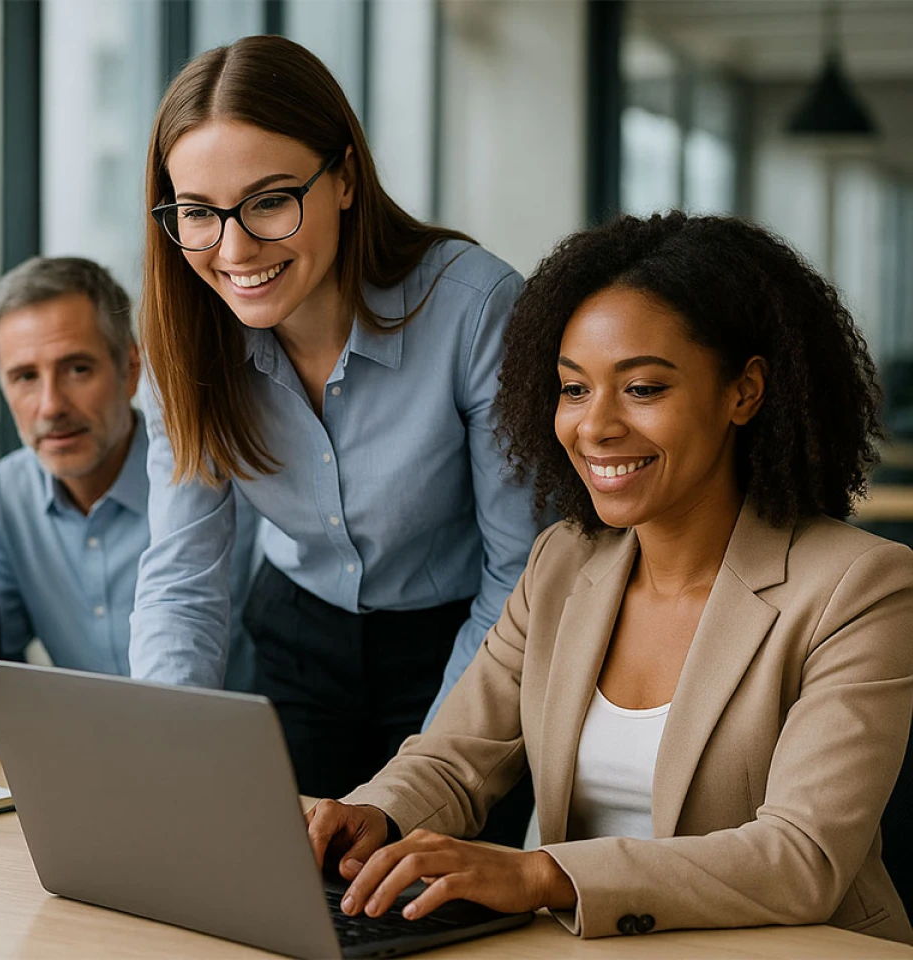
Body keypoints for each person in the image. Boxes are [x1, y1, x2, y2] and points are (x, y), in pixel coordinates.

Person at [305, 212, 913, 944]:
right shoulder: (563, 561)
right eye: (573, 389)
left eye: (643, 389)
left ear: (743, 392)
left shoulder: (861, 588)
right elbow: (455, 758)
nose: (595, 427)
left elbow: (801, 857)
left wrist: (543, 875)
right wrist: (371, 815)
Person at [128, 35, 540, 807]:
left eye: (270, 201)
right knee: (277, 896)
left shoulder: (475, 309)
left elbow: (519, 571)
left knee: (427, 899)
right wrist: (166, 744)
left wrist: (422, 779)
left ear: (345, 177)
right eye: (197, 214)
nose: (234, 247)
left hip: (462, 641)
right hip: (295, 639)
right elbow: (184, 574)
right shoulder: (183, 339)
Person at [0, 256, 256, 688]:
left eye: (77, 369)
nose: (51, 405)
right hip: (83, 748)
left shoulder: (216, 476)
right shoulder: (8, 492)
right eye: (25, 377)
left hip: (228, 745)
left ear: (131, 370)